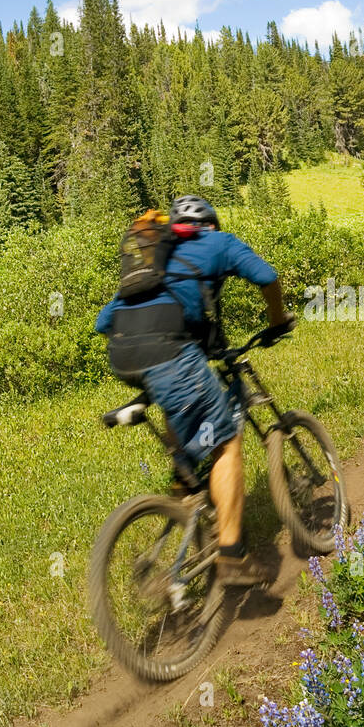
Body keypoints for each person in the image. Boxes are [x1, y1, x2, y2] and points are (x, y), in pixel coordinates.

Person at [95, 195, 295, 586]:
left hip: (124, 357)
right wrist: (277, 320)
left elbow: (105, 321)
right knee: (227, 442)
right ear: (211, 223)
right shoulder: (219, 243)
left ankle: (184, 491)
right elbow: (267, 277)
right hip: (171, 354)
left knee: (182, 403)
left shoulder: (155, 259)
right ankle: (232, 555)